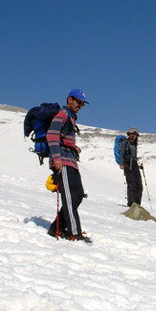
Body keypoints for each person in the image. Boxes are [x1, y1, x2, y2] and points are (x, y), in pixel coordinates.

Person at [46, 89, 91, 243]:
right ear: (69, 99)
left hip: (70, 160)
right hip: (62, 161)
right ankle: (74, 233)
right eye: (78, 102)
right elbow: (52, 135)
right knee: (71, 197)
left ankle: (56, 228)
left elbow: (63, 138)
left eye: (82, 104)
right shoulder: (62, 114)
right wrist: (56, 159)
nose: (80, 106)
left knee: (78, 195)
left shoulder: (70, 118)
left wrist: (74, 147)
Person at [117, 127, 143, 207]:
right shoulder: (125, 142)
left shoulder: (135, 143)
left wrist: (139, 166)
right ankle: (131, 203)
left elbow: (134, 156)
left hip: (134, 165)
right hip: (128, 165)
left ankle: (137, 204)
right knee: (132, 185)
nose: (132, 136)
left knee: (139, 185)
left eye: (134, 134)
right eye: (131, 134)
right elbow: (121, 154)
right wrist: (121, 164)